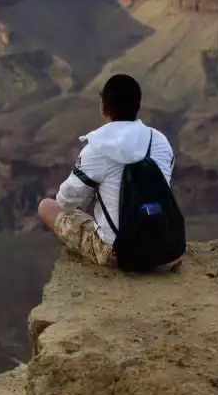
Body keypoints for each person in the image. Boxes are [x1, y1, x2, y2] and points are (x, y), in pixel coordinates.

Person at [38, 74, 176, 268]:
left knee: (47, 207)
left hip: (120, 253)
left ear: (103, 109)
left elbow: (66, 201)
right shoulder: (160, 141)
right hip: (167, 248)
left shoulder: (97, 149)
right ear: (138, 106)